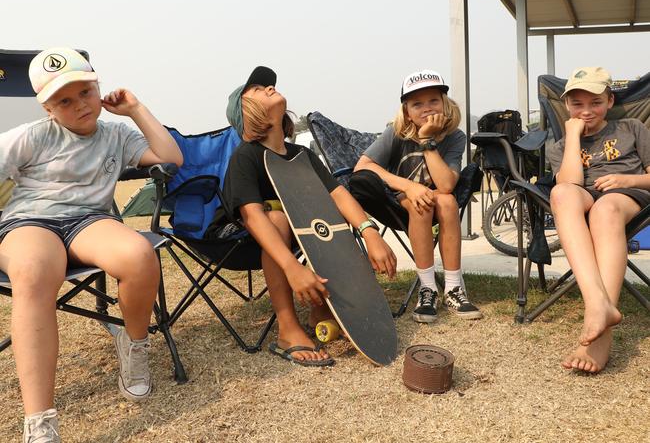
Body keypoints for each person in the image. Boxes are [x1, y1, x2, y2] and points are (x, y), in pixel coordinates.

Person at [0, 47, 183, 442]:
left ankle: (133, 349)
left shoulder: (117, 134)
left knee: (138, 254)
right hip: (30, 221)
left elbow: (170, 158)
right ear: (48, 107)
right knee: (33, 271)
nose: (79, 104)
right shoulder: (29, 137)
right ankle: (40, 422)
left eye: (85, 91)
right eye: (64, 100)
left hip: (89, 220)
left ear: (98, 87)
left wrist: (134, 108)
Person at [222, 66, 397, 366]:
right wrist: (292, 267)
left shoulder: (302, 156)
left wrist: (370, 233)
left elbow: (338, 195)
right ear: (246, 111)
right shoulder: (246, 156)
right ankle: (288, 329)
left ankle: (323, 308)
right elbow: (251, 217)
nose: (268, 87)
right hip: (245, 240)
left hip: (301, 231)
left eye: (269, 85)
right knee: (275, 217)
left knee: (331, 217)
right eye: (257, 88)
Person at [350, 70, 482, 323]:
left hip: (440, 202)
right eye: (416, 104)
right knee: (424, 202)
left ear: (445, 103)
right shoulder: (395, 132)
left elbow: (445, 185)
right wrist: (409, 187)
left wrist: (426, 140)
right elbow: (363, 167)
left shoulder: (455, 137)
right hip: (397, 203)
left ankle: (454, 287)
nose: (426, 108)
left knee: (446, 199)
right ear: (406, 111)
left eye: (433, 100)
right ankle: (428, 287)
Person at [547, 66, 650, 374]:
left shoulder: (631, 127)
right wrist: (574, 135)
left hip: (627, 197)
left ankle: (599, 337)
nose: (586, 110)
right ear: (566, 106)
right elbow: (570, 183)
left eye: (595, 102)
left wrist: (627, 180)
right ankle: (598, 305)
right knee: (562, 194)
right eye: (577, 104)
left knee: (606, 209)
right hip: (584, 196)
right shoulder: (562, 146)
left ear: (609, 101)